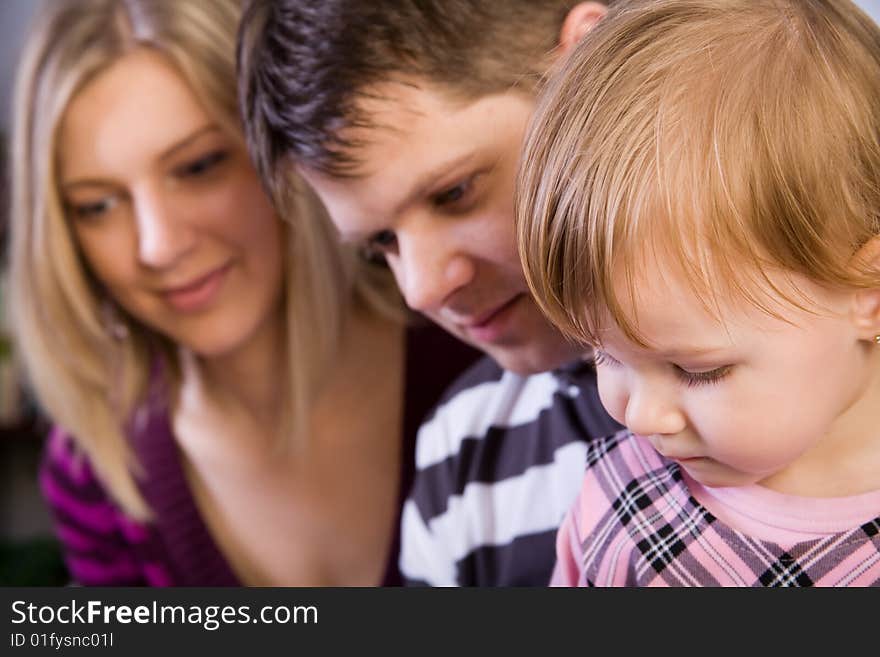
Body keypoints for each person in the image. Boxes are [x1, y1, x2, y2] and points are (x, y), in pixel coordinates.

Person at [8, 0, 478, 586]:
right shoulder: (96, 474)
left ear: (290, 156)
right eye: (97, 205)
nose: (157, 246)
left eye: (200, 165)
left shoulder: (482, 345)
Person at [237, 0, 622, 586]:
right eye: (381, 243)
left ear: (594, 62)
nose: (420, 289)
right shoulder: (459, 465)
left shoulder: (809, 362)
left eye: (454, 193)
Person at [517, 0, 880, 586]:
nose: (642, 416)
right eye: (602, 353)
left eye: (696, 370)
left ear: (869, 295)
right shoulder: (616, 512)